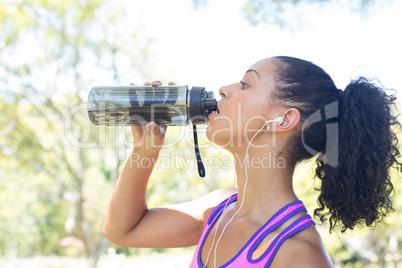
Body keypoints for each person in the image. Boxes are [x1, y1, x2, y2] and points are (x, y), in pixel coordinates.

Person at [101, 56, 401, 267]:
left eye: (245, 85)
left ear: (282, 119)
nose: (224, 89)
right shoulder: (219, 210)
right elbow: (121, 230)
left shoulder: (298, 255)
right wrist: (144, 152)